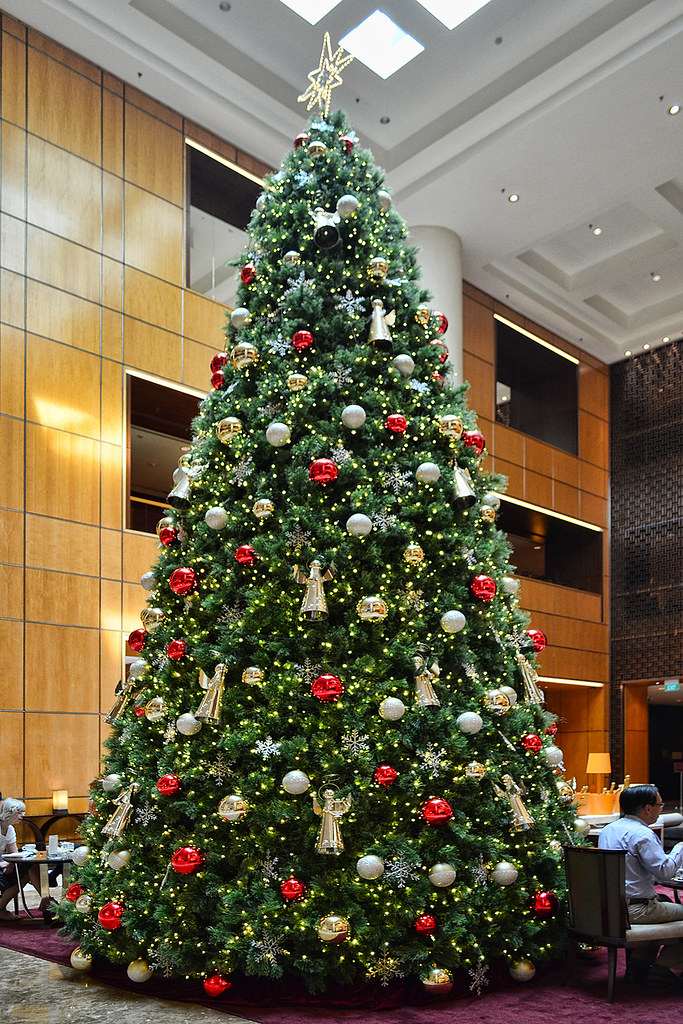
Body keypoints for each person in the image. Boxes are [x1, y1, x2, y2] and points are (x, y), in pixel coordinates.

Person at [598, 784, 683, 987]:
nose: (661, 809)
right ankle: (663, 968)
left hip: (609, 908)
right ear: (648, 808)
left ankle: (639, 967)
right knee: (659, 903)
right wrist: (680, 848)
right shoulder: (642, 834)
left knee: (662, 899)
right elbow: (665, 872)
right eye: (660, 805)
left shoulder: (608, 830)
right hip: (635, 910)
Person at [0, 797, 51, 922]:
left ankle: (46, 899)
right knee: (28, 869)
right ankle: (48, 901)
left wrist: (11, 864)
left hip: (3, 865)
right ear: (9, 813)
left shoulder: (10, 829)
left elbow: (14, 854)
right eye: (20, 812)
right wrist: (4, 864)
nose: (23, 815)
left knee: (29, 866)